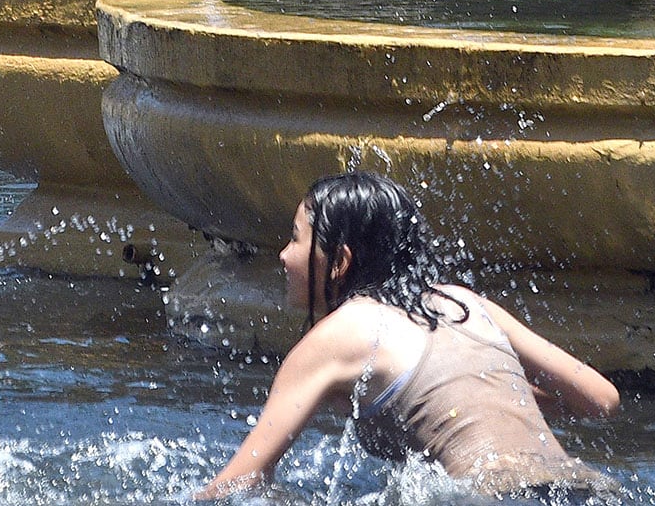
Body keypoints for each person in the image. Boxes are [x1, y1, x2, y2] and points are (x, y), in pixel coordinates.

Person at [198, 172, 619, 499]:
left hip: (489, 498)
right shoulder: (462, 302)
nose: (284, 255)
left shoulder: (339, 335)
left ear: (340, 261)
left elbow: (237, 485)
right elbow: (599, 399)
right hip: (587, 491)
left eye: (294, 237)